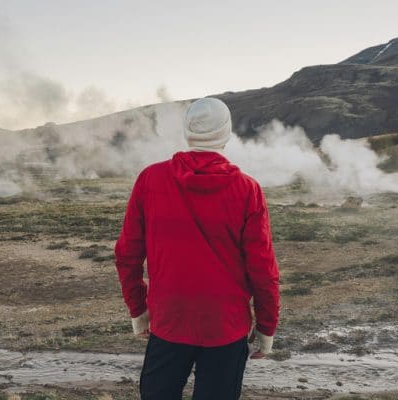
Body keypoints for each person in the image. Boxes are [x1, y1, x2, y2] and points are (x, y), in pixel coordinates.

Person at [114, 97, 280, 400]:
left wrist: (139, 310)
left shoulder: (150, 179)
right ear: (227, 134)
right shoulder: (247, 190)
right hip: (226, 326)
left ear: (187, 131)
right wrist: (266, 327)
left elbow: (127, 254)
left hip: (169, 321)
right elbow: (263, 269)